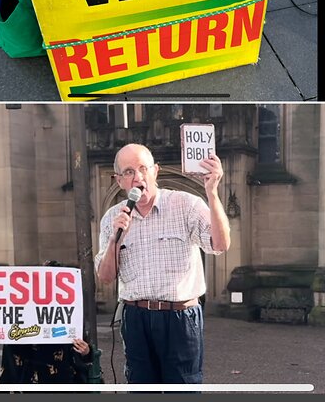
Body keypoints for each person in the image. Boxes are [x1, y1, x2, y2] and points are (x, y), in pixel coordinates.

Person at [93, 143, 231, 385]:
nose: (137, 177)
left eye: (143, 168)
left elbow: (219, 245)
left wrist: (212, 193)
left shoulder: (186, 204)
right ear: (118, 180)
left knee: (183, 389)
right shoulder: (112, 219)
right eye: (128, 172)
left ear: (155, 171)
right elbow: (105, 277)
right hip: (135, 317)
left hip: (180, 317)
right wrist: (117, 240)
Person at [0, 262, 93, 387]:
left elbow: (82, 353)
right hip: (25, 381)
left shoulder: (70, 313)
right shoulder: (23, 309)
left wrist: (86, 351)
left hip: (60, 383)